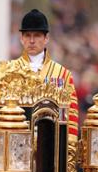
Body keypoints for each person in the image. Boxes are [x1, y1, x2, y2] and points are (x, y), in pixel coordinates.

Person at [12, 9, 79, 142]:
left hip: (52, 143)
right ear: (21, 38)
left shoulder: (62, 74)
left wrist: (70, 144)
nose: (31, 40)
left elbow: (72, 113)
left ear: (46, 38)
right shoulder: (10, 71)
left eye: (37, 35)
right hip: (18, 141)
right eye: (27, 35)